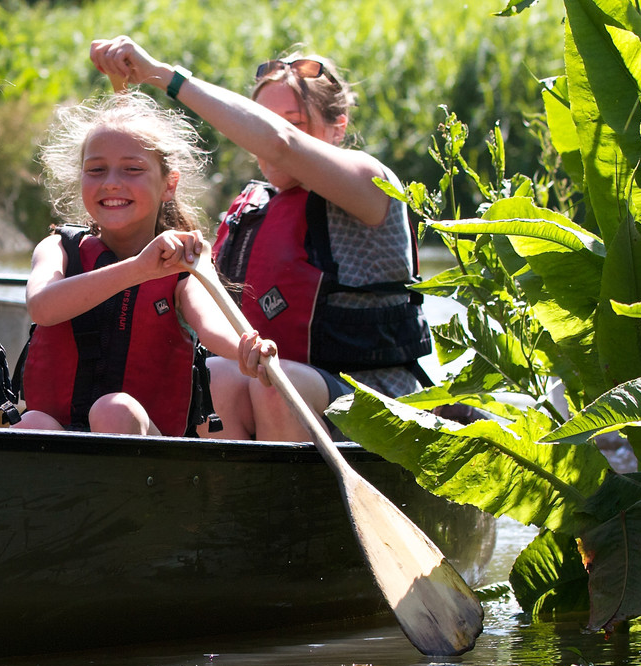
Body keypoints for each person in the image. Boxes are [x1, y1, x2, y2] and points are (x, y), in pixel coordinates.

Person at [89, 37, 432, 442]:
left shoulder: (371, 186)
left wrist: (162, 75)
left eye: (292, 122)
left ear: (337, 128)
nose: (260, 137)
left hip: (379, 400)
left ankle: (295, 504)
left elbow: (280, 144)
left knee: (272, 381)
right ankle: (232, 501)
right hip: (277, 392)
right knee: (216, 374)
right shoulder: (257, 207)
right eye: (256, 120)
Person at [13, 90, 268, 436]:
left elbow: (211, 325)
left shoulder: (184, 263)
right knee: (31, 423)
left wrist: (246, 348)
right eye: (96, 170)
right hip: (63, 441)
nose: (112, 183)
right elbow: (42, 307)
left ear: (169, 184)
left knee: (113, 410)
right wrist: (139, 268)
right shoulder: (57, 248)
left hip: (149, 452)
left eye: (132, 169)